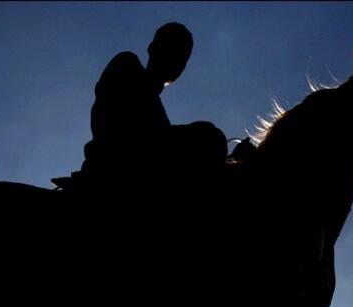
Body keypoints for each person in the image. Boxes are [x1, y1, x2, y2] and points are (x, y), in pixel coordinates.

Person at [57, 22, 227, 193]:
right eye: (172, 48)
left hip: (135, 174)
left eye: (183, 57)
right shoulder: (126, 65)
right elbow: (140, 137)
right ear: (152, 48)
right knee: (210, 136)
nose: (177, 60)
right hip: (110, 173)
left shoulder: (156, 108)